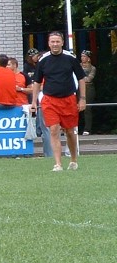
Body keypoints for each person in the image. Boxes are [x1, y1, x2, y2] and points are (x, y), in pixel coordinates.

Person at [30, 31, 87, 171]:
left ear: (62, 42)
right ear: (49, 43)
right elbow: (37, 82)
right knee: (54, 130)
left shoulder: (70, 59)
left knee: (70, 132)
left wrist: (82, 99)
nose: (55, 44)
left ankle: (73, 159)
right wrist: (34, 102)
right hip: (49, 100)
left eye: (57, 41)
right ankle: (58, 163)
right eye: (52, 42)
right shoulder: (43, 60)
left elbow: (81, 79)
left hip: (68, 99)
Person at [79, 50, 96, 135]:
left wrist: (81, 79)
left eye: (84, 56)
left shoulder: (92, 68)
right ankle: (75, 127)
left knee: (87, 109)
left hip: (89, 88)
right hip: (79, 88)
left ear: (88, 58)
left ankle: (87, 129)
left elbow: (89, 78)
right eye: (81, 56)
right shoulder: (78, 66)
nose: (82, 58)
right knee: (76, 107)